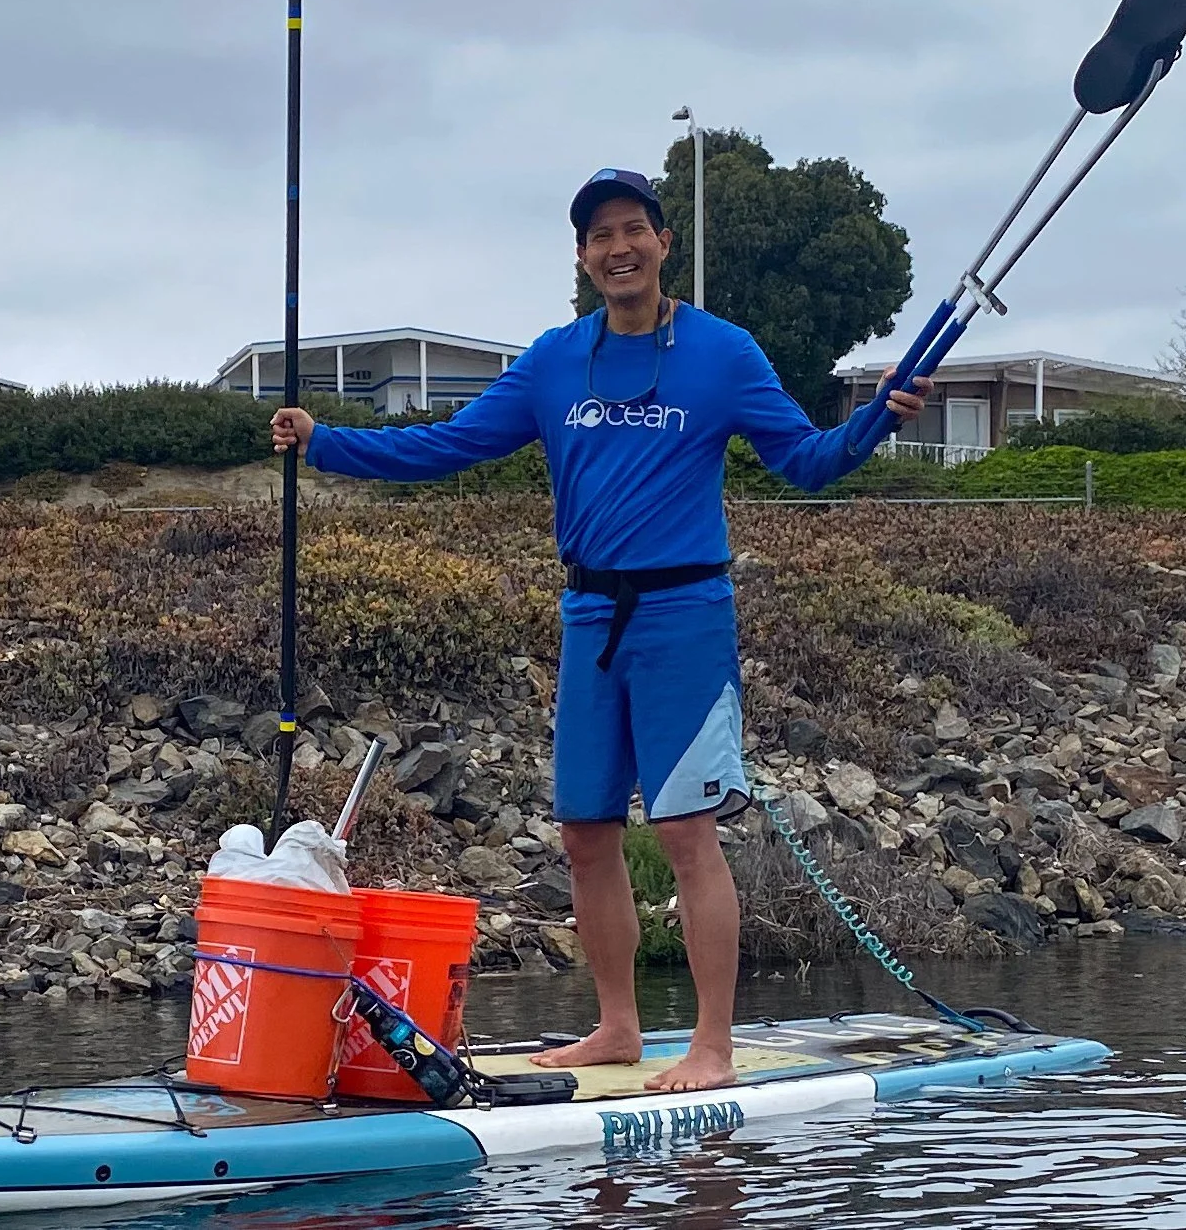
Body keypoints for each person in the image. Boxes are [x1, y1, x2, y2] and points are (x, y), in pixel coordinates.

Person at [272, 168, 930, 1092]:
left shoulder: (724, 352)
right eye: (598, 236)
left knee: (685, 832)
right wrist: (325, 439)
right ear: (582, 257)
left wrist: (875, 421)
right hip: (589, 617)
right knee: (585, 831)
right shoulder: (553, 361)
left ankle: (710, 1045)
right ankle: (618, 1027)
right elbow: (446, 445)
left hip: (686, 617)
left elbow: (806, 462)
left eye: (632, 230)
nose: (618, 248)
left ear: (662, 243)